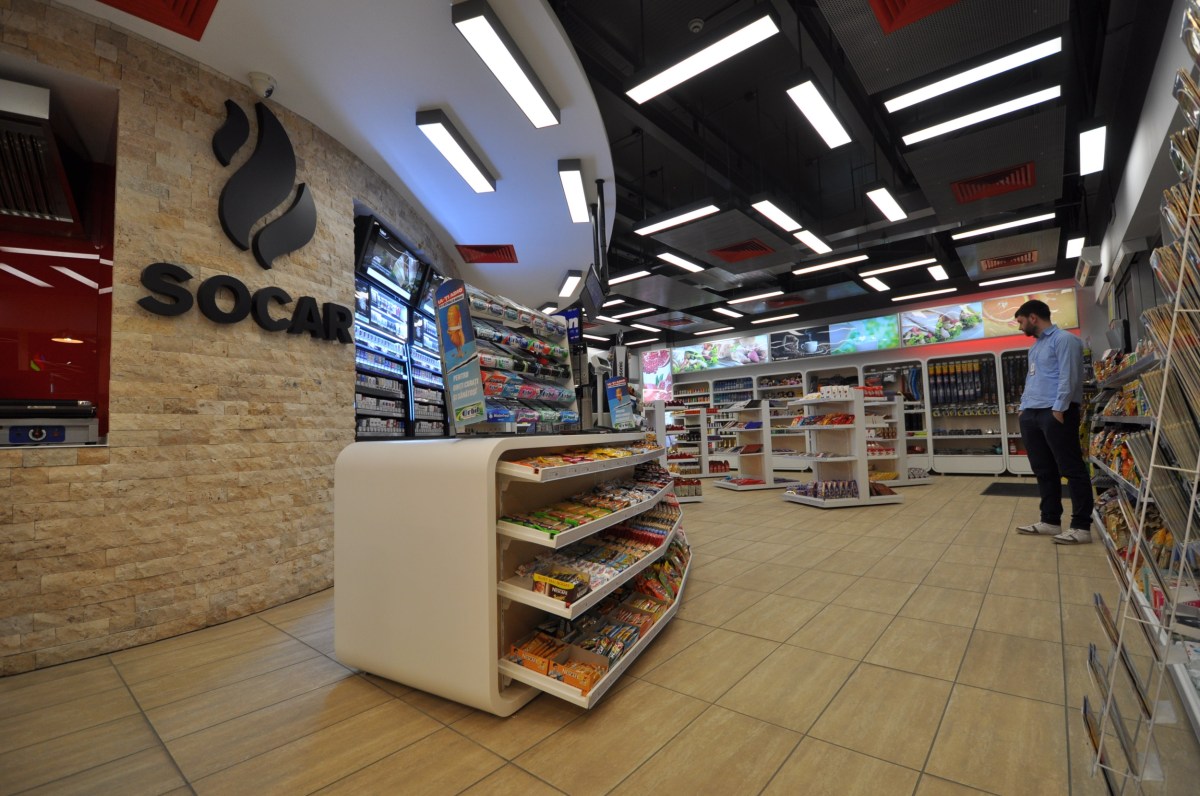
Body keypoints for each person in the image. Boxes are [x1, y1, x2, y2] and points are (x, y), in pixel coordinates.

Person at [1013, 299, 1094, 544]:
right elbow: (1032, 378)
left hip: (1056, 411)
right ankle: (1050, 520)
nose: (1020, 327)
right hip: (1032, 413)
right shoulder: (1035, 347)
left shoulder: (1065, 339)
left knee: (1071, 468)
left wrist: (1059, 408)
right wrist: (1023, 407)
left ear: (1033, 318)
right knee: (1043, 469)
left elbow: (1069, 376)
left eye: (1021, 322)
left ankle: (1081, 527)